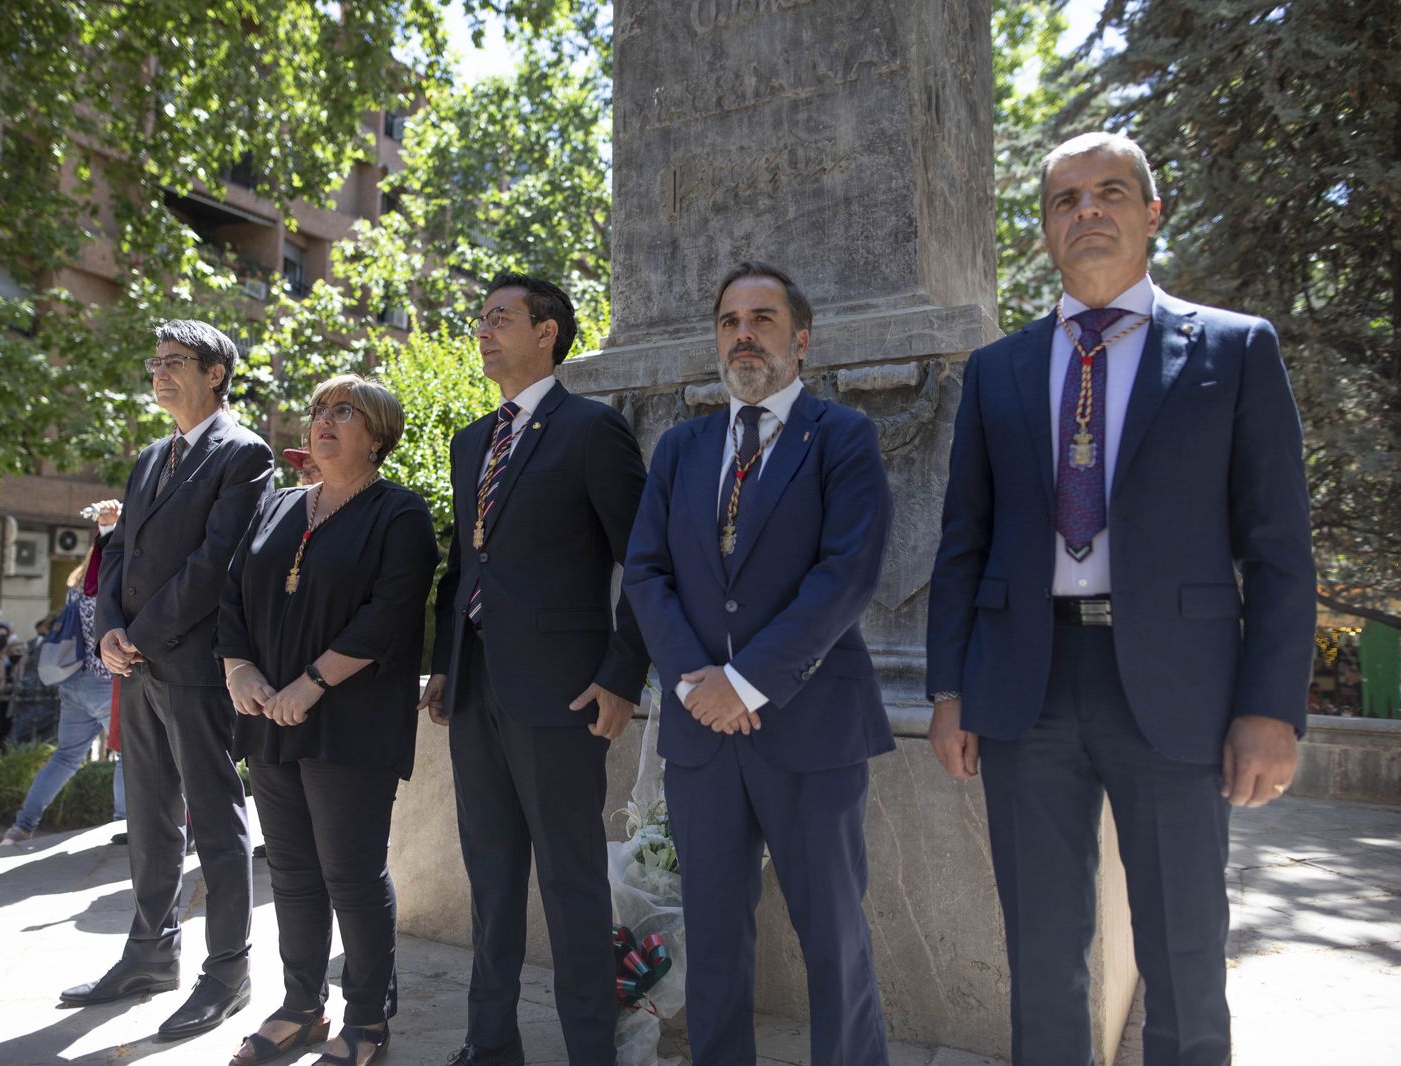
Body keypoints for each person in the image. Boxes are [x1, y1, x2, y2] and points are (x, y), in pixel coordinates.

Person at [925, 132, 1316, 1066]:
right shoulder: (999, 370)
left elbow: (1277, 549)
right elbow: (963, 543)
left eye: (1108, 193)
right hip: (1028, 688)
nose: (1087, 211)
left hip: (1180, 693)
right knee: (1043, 955)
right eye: (1065, 200)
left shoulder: (1233, 349)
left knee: (1185, 953)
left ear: (1152, 214)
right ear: (1047, 230)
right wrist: (950, 689)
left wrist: (1269, 707)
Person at [622, 262, 896, 1066]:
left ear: (800, 340)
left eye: (763, 319)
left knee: (834, 934)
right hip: (702, 739)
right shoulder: (681, 447)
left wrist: (745, 682)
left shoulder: (842, 437)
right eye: (729, 321)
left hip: (813, 729)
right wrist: (693, 681)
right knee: (712, 934)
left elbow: (846, 574)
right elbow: (645, 572)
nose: (744, 334)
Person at [418, 271, 649, 1066]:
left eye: (500, 318)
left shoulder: (593, 430)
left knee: (571, 882)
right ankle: (491, 1046)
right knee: (490, 876)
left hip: (564, 694)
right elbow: (464, 568)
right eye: (479, 317)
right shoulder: (470, 440)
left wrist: (623, 674)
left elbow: (644, 563)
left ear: (547, 332)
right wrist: (444, 663)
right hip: (476, 687)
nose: (482, 330)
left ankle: (592, 1049)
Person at [218, 374, 438, 1066]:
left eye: (345, 412)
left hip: (351, 722)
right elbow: (232, 596)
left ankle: (367, 1019)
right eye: (319, 410)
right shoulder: (277, 507)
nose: (325, 421)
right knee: (289, 871)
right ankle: (301, 1006)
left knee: (351, 872)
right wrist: (240, 672)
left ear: (377, 436)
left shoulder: (400, 514)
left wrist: (312, 683)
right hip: (269, 718)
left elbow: (392, 612)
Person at [64, 319, 272, 1041]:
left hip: (196, 668)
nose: (159, 372)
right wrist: (110, 628)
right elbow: (120, 550)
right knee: (149, 821)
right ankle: (149, 955)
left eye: (175, 361)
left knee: (218, 821)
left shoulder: (244, 453)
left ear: (216, 374)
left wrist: (142, 634)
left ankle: (229, 972)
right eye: (154, 361)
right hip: (139, 664)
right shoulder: (152, 455)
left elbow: (217, 565)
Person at [0, 512, 127, 846]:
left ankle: (22, 826)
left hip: (74, 682)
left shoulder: (76, 587)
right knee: (129, 755)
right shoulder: (105, 588)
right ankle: (123, 823)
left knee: (66, 757)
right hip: (106, 683)